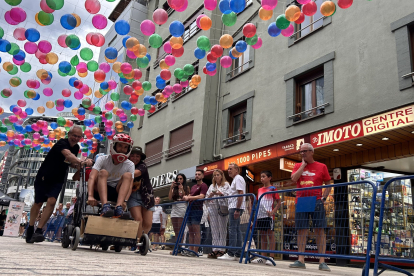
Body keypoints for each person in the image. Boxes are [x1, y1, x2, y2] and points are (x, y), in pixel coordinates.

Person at [26, 125, 93, 243]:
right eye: (74, 135)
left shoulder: (76, 147)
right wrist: (82, 162)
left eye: (78, 136)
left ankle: (39, 230)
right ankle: (31, 227)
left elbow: (70, 162)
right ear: (69, 135)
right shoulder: (62, 143)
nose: (75, 138)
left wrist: (83, 164)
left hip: (58, 179)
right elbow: (68, 155)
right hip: (44, 176)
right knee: (38, 203)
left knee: (52, 201)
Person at [289, 143, 332, 272]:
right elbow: (293, 179)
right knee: (301, 230)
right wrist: (302, 165)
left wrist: (324, 198)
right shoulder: (297, 166)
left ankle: (322, 261)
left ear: (312, 152)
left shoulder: (321, 166)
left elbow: (328, 183)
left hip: (317, 200)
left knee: (320, 230)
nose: (302, 154)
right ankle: (300, 259)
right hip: (301, 200)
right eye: (300, 152)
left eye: (305, 151)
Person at [87, 133, 135, 218]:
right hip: (98, 190)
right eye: (120, 146)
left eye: (125, 147)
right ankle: (105, 206)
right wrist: (90, 196)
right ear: (114, 146)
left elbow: (130, 185)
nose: (122, 150)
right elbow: (92, 177)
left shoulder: (130, 164)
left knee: (128, 175)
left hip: (117, 192)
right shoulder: (103, 159)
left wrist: (125, 201)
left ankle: (118, 207)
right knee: (103, 172)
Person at [252, 171, 281, 266]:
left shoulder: (273, 189)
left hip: (269, 216)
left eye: (264, 176)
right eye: (261, 177)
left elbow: (279, 202)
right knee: (262, 235)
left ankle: (271, 257)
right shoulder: (259, 189)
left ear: (269, 178)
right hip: (260, 215)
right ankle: (263, 257)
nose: (261, 178)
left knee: (270, 235)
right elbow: (258, 202)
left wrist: (273, 212)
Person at [218, 163, 246, 261]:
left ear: (236, 170)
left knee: (233, 230)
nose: (229, 170)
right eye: (228, 169)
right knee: (236, 230)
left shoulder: (238, 178)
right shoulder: (237, 179)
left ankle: (231, 253)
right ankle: (237, 254)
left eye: (231, 169)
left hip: (235, 207)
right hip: (235, 207)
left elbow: (240, 193)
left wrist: (237, 209)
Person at [128, 147, 155, 244]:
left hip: (146, 195)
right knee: (138, 220)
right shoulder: (125, 164)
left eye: (137, 156)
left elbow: (136, 173)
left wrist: (123, 173)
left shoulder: (142, 165)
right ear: (129, 156)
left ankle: (143, 239)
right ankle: (140, 243)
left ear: (140, 158)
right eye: (132, 155)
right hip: (132, 196)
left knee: (148, 223)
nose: (135, 158)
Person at [183, 170, 208, 256]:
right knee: (190, 230)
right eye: (196, 174)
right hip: (190, 208)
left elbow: (202, 196)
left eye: (199, 174)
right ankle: (190, 249)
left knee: (196, 230)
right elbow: (190, 196)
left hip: (197, 209)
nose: (197, 176)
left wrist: (189, 197)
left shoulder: (204, 185)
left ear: (202, 176)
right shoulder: (193, 187)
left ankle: (195, 251)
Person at [206, 169, 230, 259]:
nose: (216, 177)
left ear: (221, 175)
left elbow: (229, 195)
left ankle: (222, 249)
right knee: (214, 229)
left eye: (218, 175)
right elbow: (206, 199)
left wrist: (221, 193)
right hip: (212, 208)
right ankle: (215, 249)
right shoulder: (212, 186)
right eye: (214, 175)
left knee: (222, 229)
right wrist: (211, 195)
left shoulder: (226, 184)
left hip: (222, 208)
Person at [168, 173, 190, 253]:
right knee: (176, 229)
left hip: (182, 207)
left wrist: (182, 189)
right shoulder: (175, 188)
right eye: (178, 179)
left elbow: (186, 197)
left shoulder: (186, 187)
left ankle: (181, 247)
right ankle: (177, 247)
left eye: (181, 179)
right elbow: (170, 197)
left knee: (181, 229)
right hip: (174, 208)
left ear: (183, 180)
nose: (179, 180)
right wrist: (171, 188)